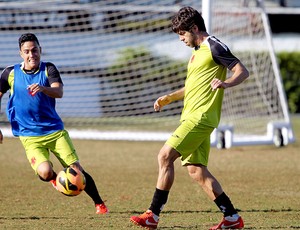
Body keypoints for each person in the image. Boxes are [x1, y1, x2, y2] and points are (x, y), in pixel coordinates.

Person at [130, 6, 249, 230]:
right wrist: (169, 98)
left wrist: (226, 83)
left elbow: (242, 71)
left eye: (183, 34)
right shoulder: (196, 52)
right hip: (191, 117)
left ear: (195, 28)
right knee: (196, 170)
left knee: (165, 156)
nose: (181, 39)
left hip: (202, 117)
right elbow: (192, 86)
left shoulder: (214, 45)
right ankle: (232, 218)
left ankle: (153, 215)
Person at [0, 33, 108, 215]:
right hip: (29, 136)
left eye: (34, 50)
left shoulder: (48, 69)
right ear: (20, 53)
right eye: (26, 51)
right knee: (44, 172)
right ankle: (55, 179)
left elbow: (59, 91)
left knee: (76, 170)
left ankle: (99, 203)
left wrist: (43, 88)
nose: (31, 55)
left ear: (40, 50)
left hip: (55, 132)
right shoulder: (9, 73)